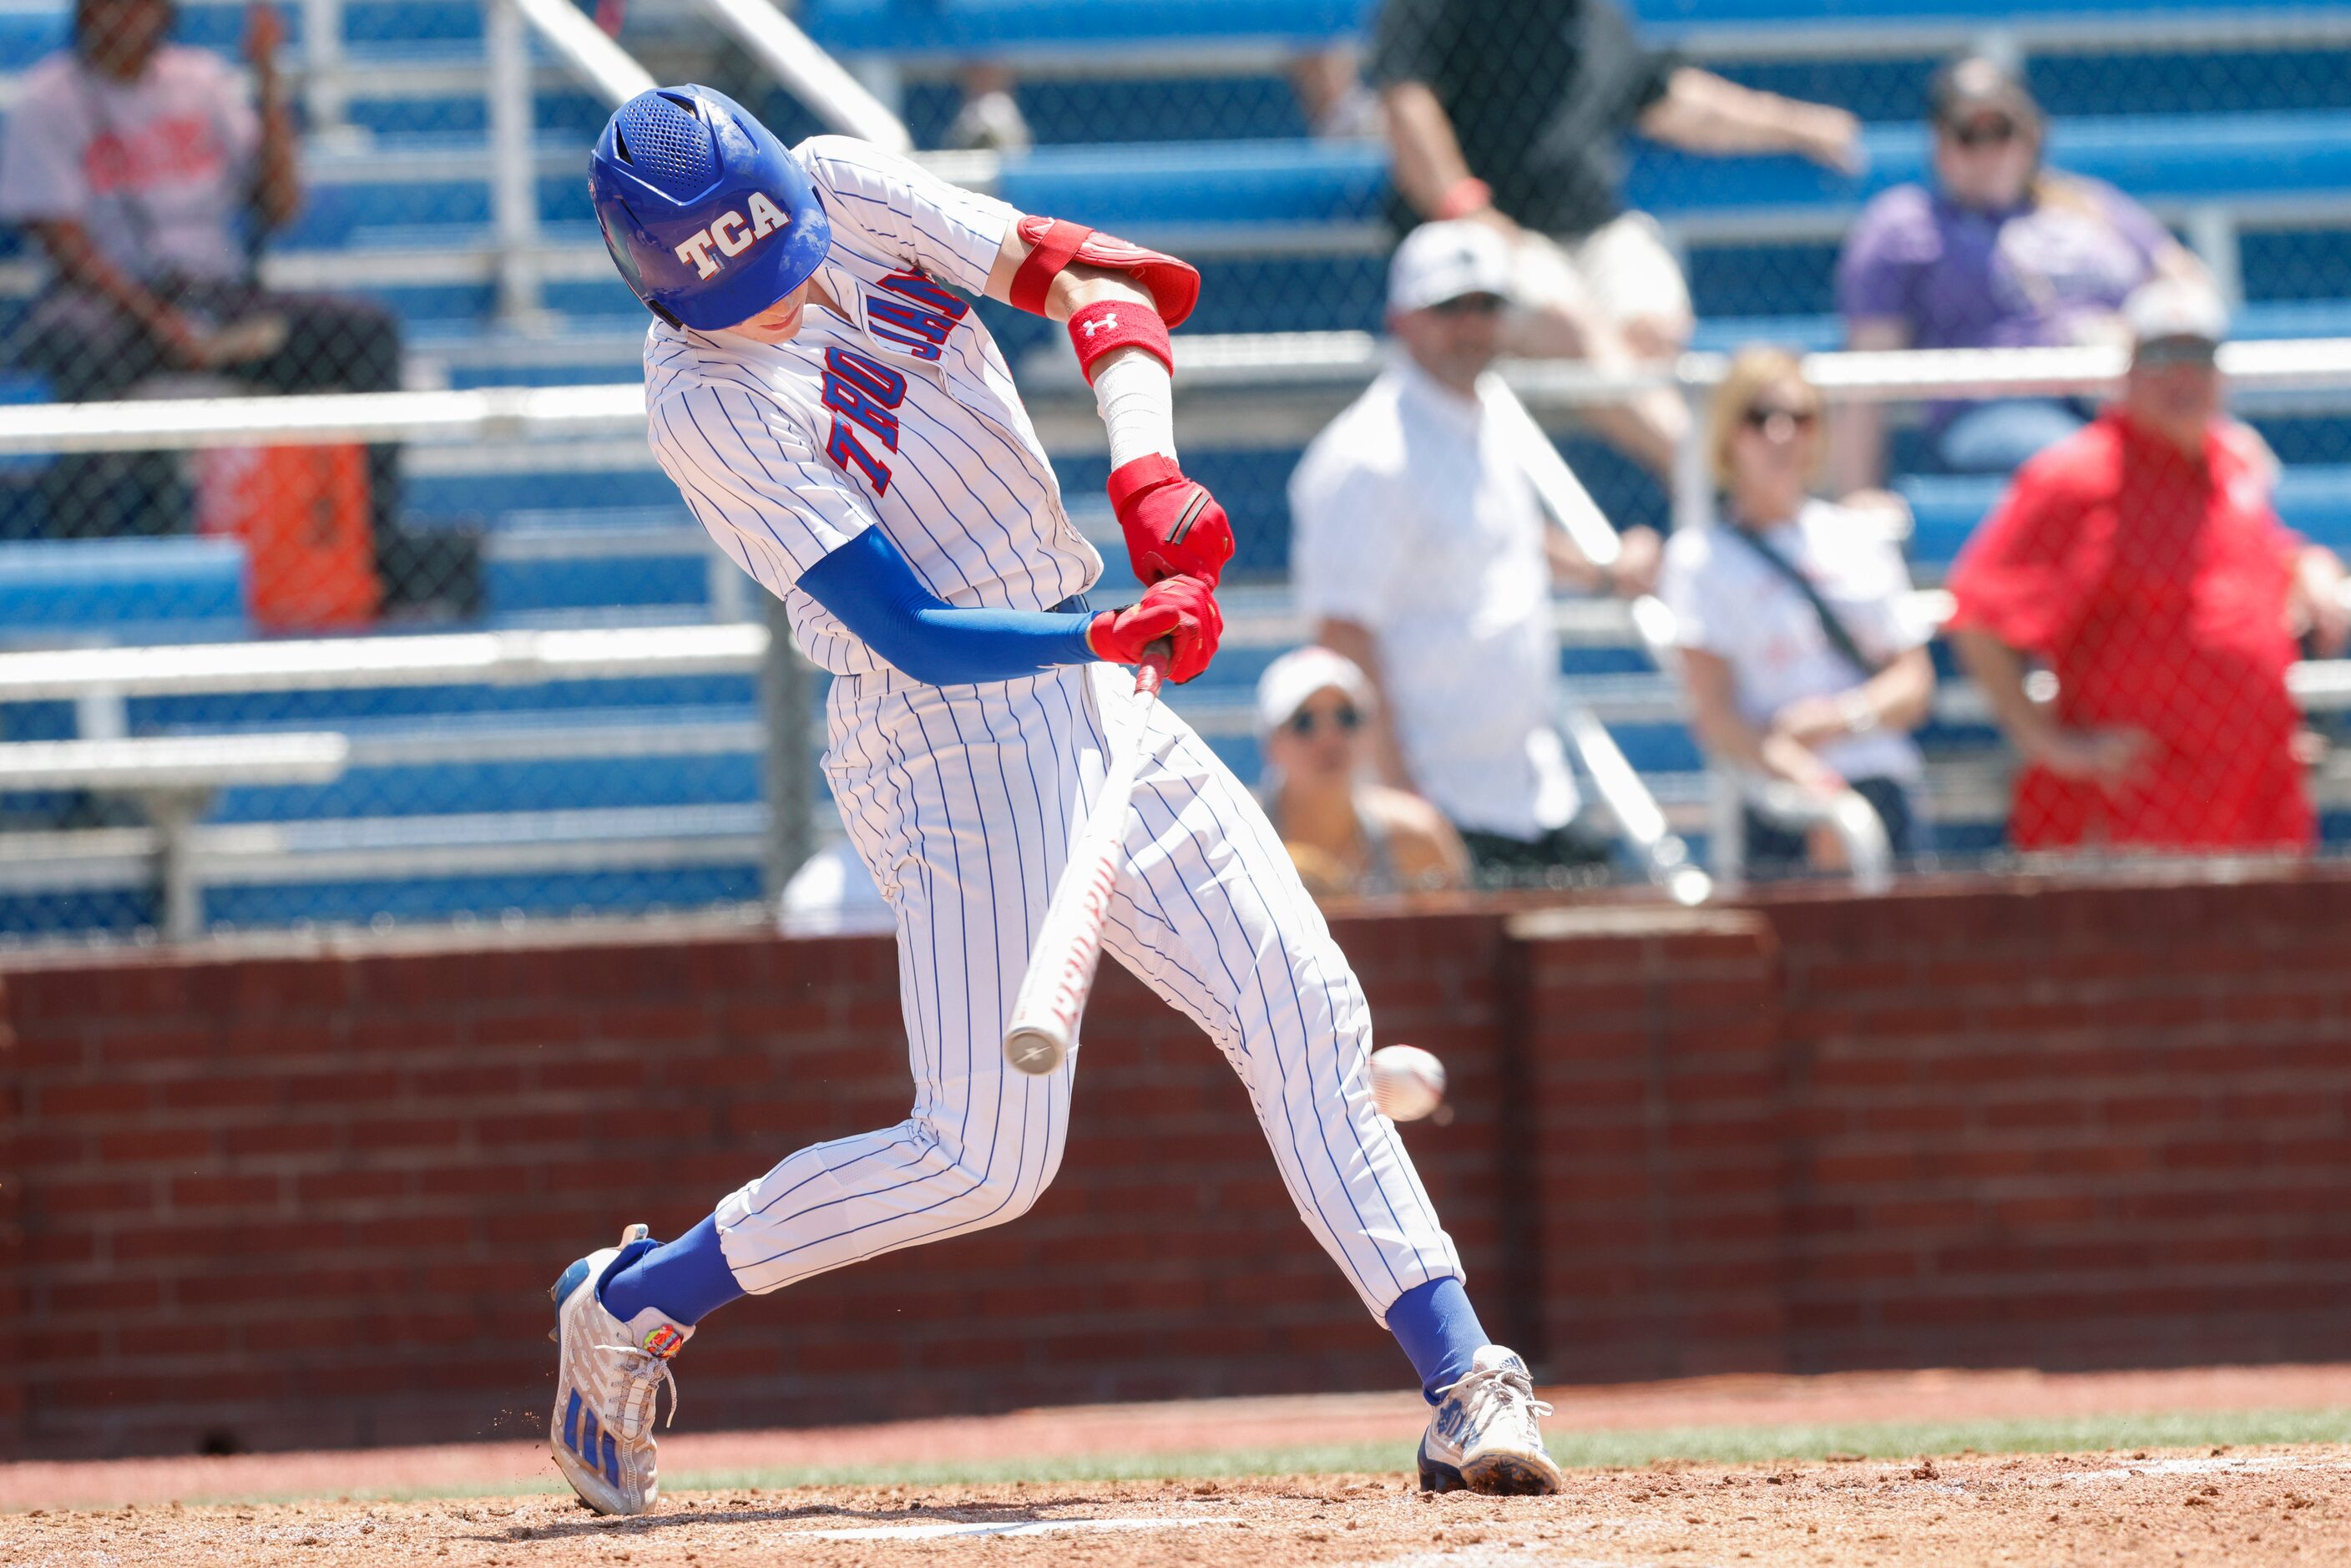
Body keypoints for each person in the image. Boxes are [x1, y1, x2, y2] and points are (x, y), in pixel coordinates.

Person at [552, 84, 1561, 1515]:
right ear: (657, 287)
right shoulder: (701, 403)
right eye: (740, 295)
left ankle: (1466, 1382)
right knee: (981, 1156)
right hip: (940, 731)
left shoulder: (844, 184)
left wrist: (1145, 478)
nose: (782, 305)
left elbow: (1101, 282)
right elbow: (902, 625)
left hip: (1086, 675)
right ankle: (638, 1299)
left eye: (783, 263)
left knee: (1302, 1008)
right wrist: (1101, 637)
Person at [1291, 219, 1656, 883]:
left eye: (1486, 305)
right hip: (1441, 809)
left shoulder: (1486, 417)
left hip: (1532, 797)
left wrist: (1599, 571)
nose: (1470, 324)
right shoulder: (1365, 456)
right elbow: (1342, 638)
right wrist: (1403, 808)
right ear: (1403, 319)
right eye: (1448, 307)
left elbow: (1493, 537)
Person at [1369, 0, 1861, 475]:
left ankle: (1718, 485)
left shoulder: (1598, 16)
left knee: (1654, 330)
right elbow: (1406, 101)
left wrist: (1801, 127)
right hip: (1481, 237)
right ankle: (1724, 484)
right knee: (1575, 330)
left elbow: (1673, 102)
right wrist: (1467, 209)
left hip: (1593, 232)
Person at [1947, 281, 2350, 855]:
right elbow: (1976, 613)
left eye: (2198, 357)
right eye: (2162, 357)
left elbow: (2238, 568)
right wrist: (2048, 743)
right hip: (2137, 815)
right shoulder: (2080, 476)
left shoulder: (2232, 461)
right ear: (2129, 371)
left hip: (2258, 802)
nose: (2181, 377)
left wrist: (2308, 564)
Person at [0, 0, 407, 554]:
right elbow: (65, 246)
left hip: (216, 300)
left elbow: (281, 208)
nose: (128, 18)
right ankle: (85, 548)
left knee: (366, 334)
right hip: (114, 309)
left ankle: (372, 551)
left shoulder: (204, 82)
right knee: (74, 342)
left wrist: (266, 79)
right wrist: (162, 323)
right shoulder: (47, 101)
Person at [1832, 53, 2215, 488]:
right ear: (1940, 146)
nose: (1988, 150)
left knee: (2233, 456)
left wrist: (2130, 331)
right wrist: (1856, 495)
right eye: (1968, 134)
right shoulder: (1908, 226)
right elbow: (1866, 371)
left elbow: (2188, 285)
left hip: (2121, 396)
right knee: (2090, 463)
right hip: (1999, 409)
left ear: (2032, 134)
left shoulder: (2085, 204)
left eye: (2002, 131)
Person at [1661, 348, 1937, 874]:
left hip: (1884, 785)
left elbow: (1915, 685)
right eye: (1761, 418)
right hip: (1781, 803)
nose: (1782, 434)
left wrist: (1837, 719)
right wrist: (1814, 789)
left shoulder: (1858, 539)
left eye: (1801, 418)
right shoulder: (1700, 560)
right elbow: (1716, 716)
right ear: (1728, 435)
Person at [1256, 645, 1472, 898]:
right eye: (1305, 722)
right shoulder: (1235, 837)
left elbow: (1454, 935)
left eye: (1347, 717)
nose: (1330, 737)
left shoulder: (1418, 837)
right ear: (1271, 743)